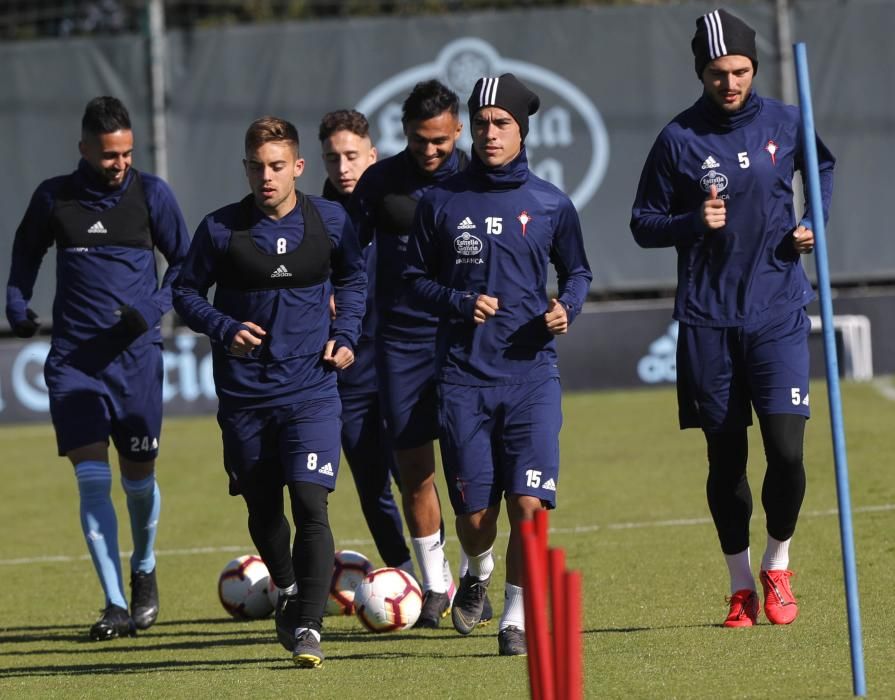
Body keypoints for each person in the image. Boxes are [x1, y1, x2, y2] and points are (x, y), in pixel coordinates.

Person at [630, 8, 835, 628]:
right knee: (727, 461)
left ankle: (778, 564)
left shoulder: (786, 120)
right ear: (701, 72)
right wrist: (692, 222)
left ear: (753, 68)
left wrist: (811, 224)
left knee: (788, 451)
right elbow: (643, 223)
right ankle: (741, 584)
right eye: (719, 73)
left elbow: (822, 169)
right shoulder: (677, 139)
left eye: (742, 70)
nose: (732, 82)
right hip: (707, 320)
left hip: (777, 308)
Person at [404, 73, 593, 655]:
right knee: (478, 514)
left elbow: (579, 272)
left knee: (530, 505)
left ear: (522, 129)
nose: (490, 133)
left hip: (533, 375)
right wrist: (459, 302)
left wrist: (568, 307)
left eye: (502, 123)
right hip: (463, 379)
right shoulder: (439, 201)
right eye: (482, 123)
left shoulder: (551, 202)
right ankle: (477, 571)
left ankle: (515, 618)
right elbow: (412, 279)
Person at [172, 117, 366, 667]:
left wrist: (346, 334)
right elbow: (185, 292)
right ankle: (285, 588)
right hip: (246, 398)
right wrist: (223, 326)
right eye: (257, 166)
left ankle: (308, 623)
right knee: (263, 507)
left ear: (298, 167)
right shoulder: (220, 229)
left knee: (310, 500)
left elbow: (353, 279)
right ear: (246, 168)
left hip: (312, 391)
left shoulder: (329, 221)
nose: (267, 176)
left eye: (277, 166)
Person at [5, 96, 190, 640]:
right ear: (84, 149)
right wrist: (16, 301)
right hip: (74, 364)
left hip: (136, 361)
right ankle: (113, 603)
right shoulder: (54, 196)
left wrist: (153, 310)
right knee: (91, 481)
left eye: (128, 153)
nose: (120, 164)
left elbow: (185, 263)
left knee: (138, 484)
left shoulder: (152, 194)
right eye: (110, 155)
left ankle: (145, 566)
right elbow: (25, 250)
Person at [350, 80, 482, 628]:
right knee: (412, 469)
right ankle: (434, 584)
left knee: (469, 474)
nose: (430, 151)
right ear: (404, 134)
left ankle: (477, 575)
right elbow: (348, 258)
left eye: (440, 141)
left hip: (463, 341)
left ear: (457, 131)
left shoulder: (478, 178)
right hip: (400, 343)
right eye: (419, 141)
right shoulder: (380, 183)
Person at [318, 109, 413, 573]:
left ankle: (443, 581)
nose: (343, 167)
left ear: (371, 155)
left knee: (414, 477)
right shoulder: (312, 222)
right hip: (347, 374)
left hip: (401, 365)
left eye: (352, 156)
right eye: (333, 158)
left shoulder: (395, 206)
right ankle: (404, 576)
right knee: (372, 484)